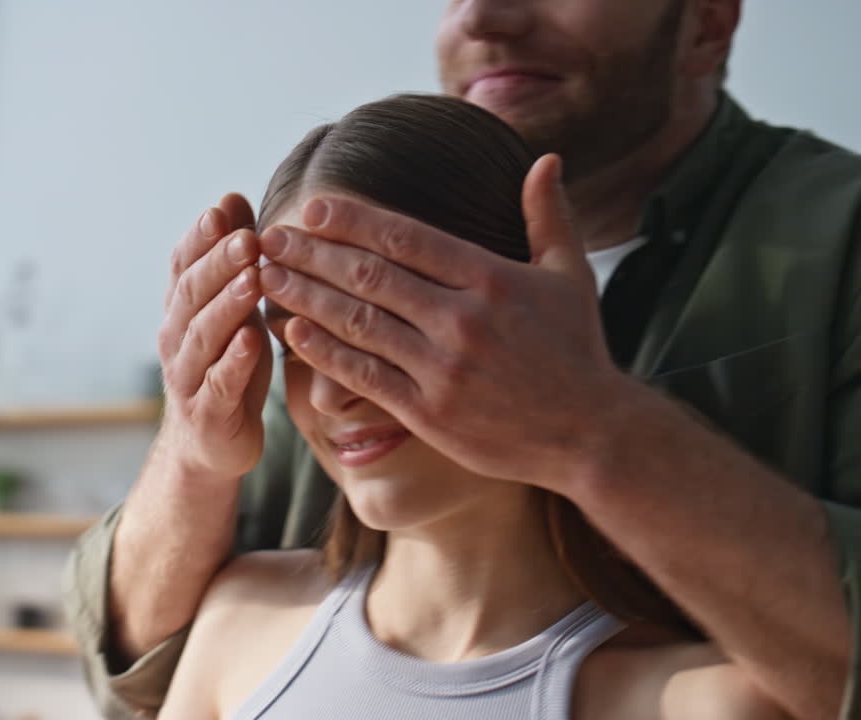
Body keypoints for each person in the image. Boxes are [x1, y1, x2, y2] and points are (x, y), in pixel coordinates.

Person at [65, 2, 861, 718]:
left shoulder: (837, 243)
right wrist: (193, 454)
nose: (483, 17)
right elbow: (135, 667)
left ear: (708, 22)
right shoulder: (249, 602)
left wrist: (595, 431)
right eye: (303, 338)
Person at [157, 91, 785, 719]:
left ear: (538, 312)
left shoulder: (696, 703)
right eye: (295, 340)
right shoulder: (238, 622)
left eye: (380, 319)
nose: (329, 391)